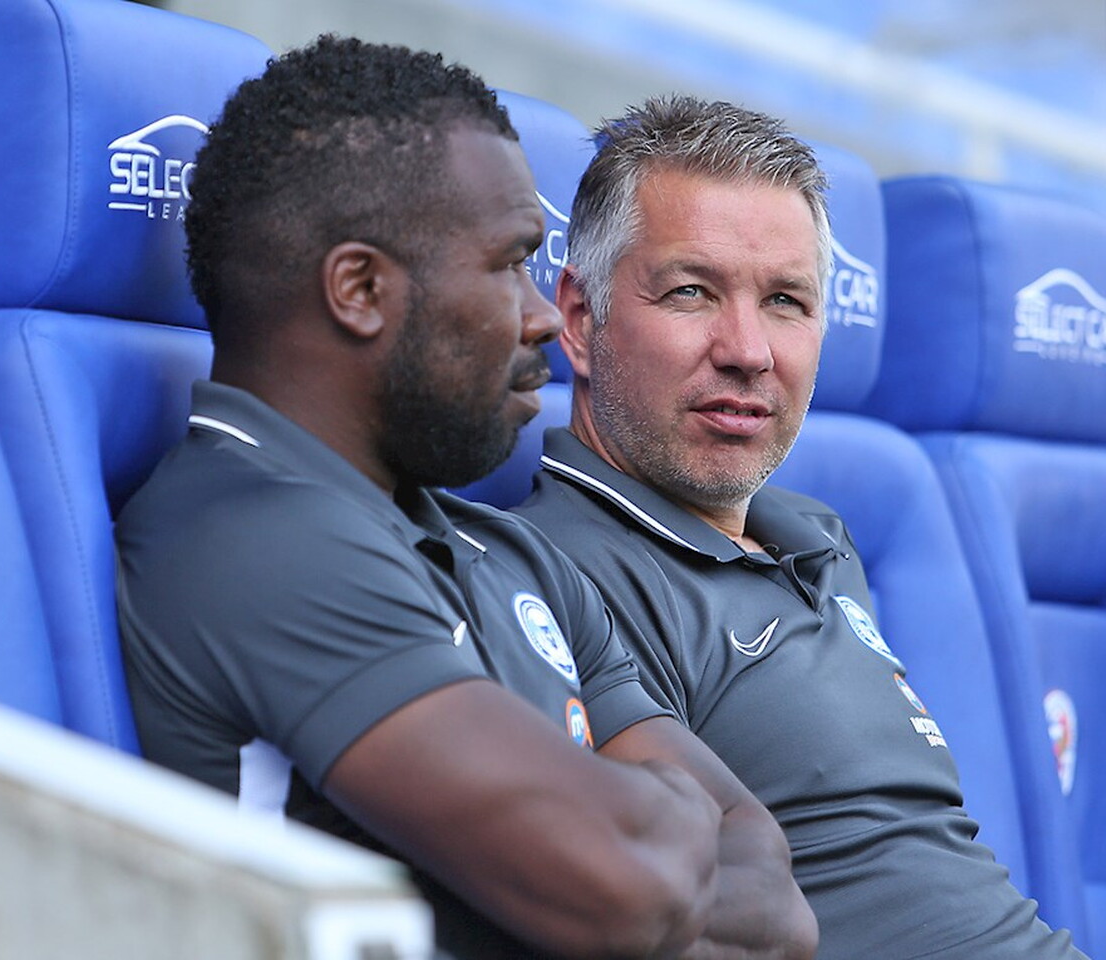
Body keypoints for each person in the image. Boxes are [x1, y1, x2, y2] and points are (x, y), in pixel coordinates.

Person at [115, 37, 818, 960]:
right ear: (360, 289)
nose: (543, 316)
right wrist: (644, 823)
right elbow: (632, 883)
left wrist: (611, 847)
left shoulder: (513, 555)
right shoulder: (253, 539)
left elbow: (776, 911)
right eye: (509, 264)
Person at [513, 95, 1088, 960]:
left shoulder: (823, 538)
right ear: (581, 320)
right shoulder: (552, 574)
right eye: (692, 291)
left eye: (785, 301)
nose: (748, 349)